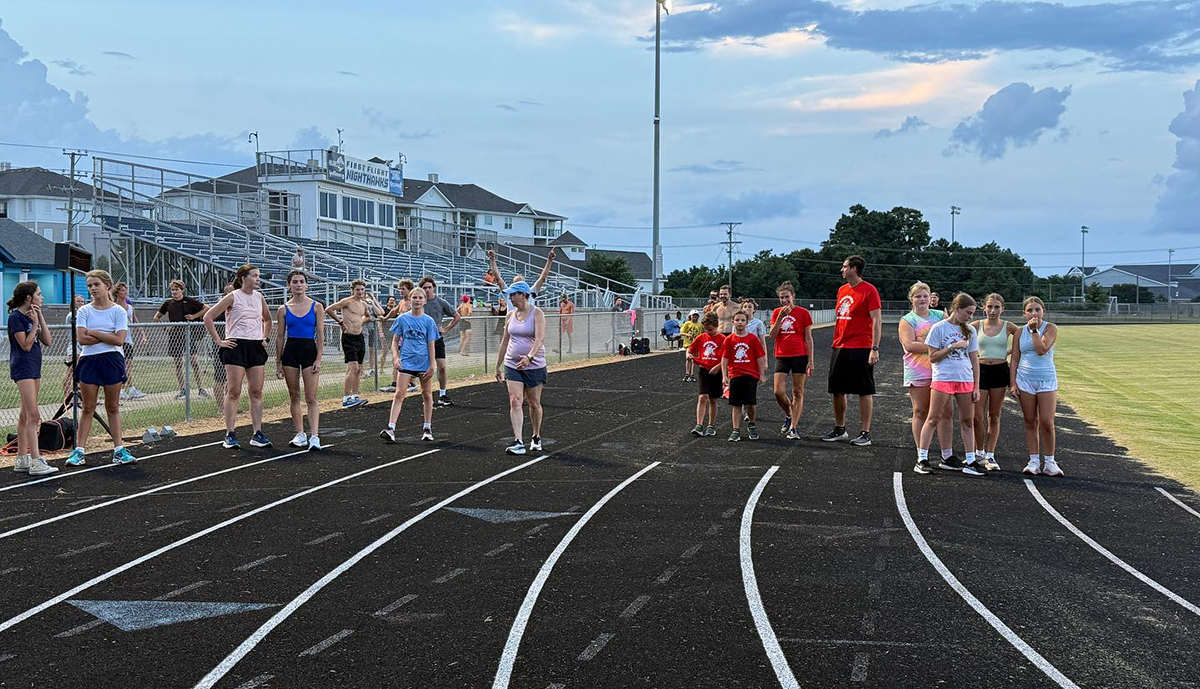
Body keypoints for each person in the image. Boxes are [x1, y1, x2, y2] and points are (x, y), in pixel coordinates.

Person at [66, 270, 136, 467]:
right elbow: (81, 338)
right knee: (88, 407)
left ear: (107, 285)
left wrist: (95, 332)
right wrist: (107, 335)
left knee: (112, 407)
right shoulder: (84, 311)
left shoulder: (118, 311)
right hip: (89, 361)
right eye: (89, 286)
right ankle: (79, 451)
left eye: (96, 284)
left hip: (112, 360)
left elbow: (119, 340)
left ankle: (119, 450)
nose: (93, 289)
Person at [913, 293, 985, 476]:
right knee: (933, 418)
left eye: (972, 313)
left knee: (967, 421)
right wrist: (953, 347)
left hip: (965, 380)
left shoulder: (970, 330)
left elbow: (974, 359)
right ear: (957, 309)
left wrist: (976, 386)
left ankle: (970, 461)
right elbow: (933, 357)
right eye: (968, 312)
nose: (970, 317)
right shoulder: (939, 328)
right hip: (943, 379)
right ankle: (922, 458)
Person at [204, 264, 274, 450]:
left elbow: (268, 319)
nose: (258, 279)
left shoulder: (260, 298)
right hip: (235, 346)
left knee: (256, 391)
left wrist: (264, 337)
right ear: (243, 278)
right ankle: (230, 433)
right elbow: (208, 317)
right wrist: (219, 341)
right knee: (234, 391)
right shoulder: (233, 296)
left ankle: (257, 433)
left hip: (255, 346)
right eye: (254, 276)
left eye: (259, 276)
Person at [823, 255, 882, 446]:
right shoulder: (842, 290)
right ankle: (840, 429)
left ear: (854, 269)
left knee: (864, 390)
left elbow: (876, 320)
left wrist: (874, 348)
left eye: (844, 266)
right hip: (840, 345)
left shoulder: (869, 290)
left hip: (861, 346)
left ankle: (865, 433)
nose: (842, 269)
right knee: (837, 389)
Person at [898, 282, 955, 462]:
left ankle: (947, 455)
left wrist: (923, 341)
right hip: (918, 371)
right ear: (911, 299)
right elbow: (909, 345)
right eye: (918, 296)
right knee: (921, 411)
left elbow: (952, 336)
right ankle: (922, 454)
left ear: (930, 298)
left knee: (946, 412)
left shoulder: (940, 315)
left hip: (941, 371)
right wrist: (935, 345)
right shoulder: (908, 320)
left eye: (925, 296)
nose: (922, 299)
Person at [8, 281, 57, 476]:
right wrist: (34, 324)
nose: (42, 296)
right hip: (23, 368)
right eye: (39, 293)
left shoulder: (34, 315)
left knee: (25, 414)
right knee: (34, 415)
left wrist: (41, 318)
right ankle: (36, 460)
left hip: (34, 367)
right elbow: (25, 346)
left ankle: (21, 459)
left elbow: (48, 341)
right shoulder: (16, 318)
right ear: (29, 298)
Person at [1011, 296, 1062, 477]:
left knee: (1047, 422)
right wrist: (1013, 383)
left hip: (1046, 379)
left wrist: (1034, 331)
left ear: (1043, 311)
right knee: (1030, 421)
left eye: (1037, 310)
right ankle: (1033, 461)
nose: (1034, 313)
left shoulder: (1050, 328)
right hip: (1025, 380)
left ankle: (1050, 462)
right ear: (1024, 314)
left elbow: (1041, 349)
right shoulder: (1019, 332)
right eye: (1030, 310)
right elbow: (1015, 358)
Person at [495, 281, 547, 455]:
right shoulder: (510, 315)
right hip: (512, 364)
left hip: (534, 365)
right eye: (510, 294)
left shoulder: (537, 314)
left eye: (514, 294)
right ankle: (518, 441)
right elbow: (505, 341)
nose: (511, 297)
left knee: (534, 403)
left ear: (523, 295)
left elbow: (539, 339)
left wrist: (529, 357)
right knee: (515, 400)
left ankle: (536, 436)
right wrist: (498, 365)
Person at [381, 288, 439, 442]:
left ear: (425, 300)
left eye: (420, 298)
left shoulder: (428, 321)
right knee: (400, 393)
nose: (417, 300)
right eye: (414, 297)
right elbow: (395, 340)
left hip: (423, 362)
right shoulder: (402, 319)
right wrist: (395, 357)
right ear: (410, 299)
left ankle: (427, 427)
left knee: (427, 394)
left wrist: (432, 365)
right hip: (407, 360)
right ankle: (391, 427)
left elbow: (431, 344)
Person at [276, 270, 324, 451]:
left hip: (309, 352)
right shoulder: (283, 309)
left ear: (306, 284)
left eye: (301, 281)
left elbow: (320, 334)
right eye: (295, 282)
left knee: (311, 397)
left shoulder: (316, 306)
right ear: (289, 285)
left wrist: (319, 359)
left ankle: (314, 436)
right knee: (294, 395)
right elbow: (280, 337)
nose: (298, 285)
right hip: (290, 353)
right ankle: (300, 433)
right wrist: (278, 363)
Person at [972, 294, 1019, 471]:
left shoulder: (1009, 327)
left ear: (1002, 309)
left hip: (1000, 372)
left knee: (994, 415)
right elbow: (957, 331)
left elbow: (1023, 336)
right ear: (983, 307)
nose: (993, 311)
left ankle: (990, 455)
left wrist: (1008, 351)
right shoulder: (976, 325)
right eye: (989, 307)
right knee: (977, 416)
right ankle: (978, 452)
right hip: (980, 371)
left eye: (996, 307)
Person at [768, 281, 814, 439]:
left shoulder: (803, 313)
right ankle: (789, 414)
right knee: (778, 391)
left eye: (787, 297)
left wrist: (811, 360)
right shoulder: (776, 313)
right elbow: (772, 335)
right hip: (782, 355)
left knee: (798, 392)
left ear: (793, 296)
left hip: (800, 355)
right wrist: (780, 317)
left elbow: (808, 338)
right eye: (781, 298)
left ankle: (794, 427)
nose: (784, 300)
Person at [154, 280, 210, 400]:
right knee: (178, 364)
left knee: (194, 361)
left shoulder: (189, 301)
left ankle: (201, 388)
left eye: (176, 289)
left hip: (188, 335)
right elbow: (156, 317)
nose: (174, 292)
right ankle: (182, 389)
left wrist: (194, 316)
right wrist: (165, 327)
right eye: (172, 290)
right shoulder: (168, 303)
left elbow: (206, 308)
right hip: (175, 336)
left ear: (182, 290)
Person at [717, 310, 767, 442]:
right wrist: (724, 376)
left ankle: (751, 424)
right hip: (735, 375)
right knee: (736, 404)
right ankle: (735, 430)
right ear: (733, 322)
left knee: (750, 403)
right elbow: (725, 359)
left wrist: (762, 373)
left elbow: (759, 357)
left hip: (751, 375)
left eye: (742, 320)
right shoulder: (729, 340)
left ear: (747, 322)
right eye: (737, 320)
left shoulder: (753, 339)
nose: (740, 322)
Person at [418, 276, 462, 407]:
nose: (427, 290)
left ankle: (442, 394)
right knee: (425, 369)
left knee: (441, 366)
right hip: (422, 340)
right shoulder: (420, 302)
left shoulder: (441, 302)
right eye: (424, 288)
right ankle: (426, 395)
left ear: (434, 288)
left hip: (437, 339)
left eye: (429, 287)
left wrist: (446, 329)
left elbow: (456, 317)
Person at [327, 280, 372, 409]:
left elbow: (368, 317)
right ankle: (346, 398)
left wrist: (361, 321)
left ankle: (355, 396)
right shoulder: (347, 301)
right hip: (348, 338)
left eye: (362, 290)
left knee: (359, 370)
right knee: (354, 368)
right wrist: (340, 322)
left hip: (359, 337)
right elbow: (329, 309)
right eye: (358, 289)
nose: (360, 292)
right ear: (353, 290)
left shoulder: (364, 304)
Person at [687, 312, 725, 436]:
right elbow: (690, 349)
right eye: (706, 329)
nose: (708, 332)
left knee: (713, 399)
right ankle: (699, 425)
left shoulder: (723, 339)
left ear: (717, 326)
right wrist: (688, 354)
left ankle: (711, 425)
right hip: (704, 370)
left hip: (716, 372)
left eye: (711, 329)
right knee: (702, 397)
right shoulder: (701, 338)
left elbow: (727, 358)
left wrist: (718, 367)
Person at [113, 283, 147, 400]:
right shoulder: (114, 306)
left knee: (128, 365)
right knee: (122, 365)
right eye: (122, 291)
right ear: (117, 293)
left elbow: (135, 321)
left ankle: (130, 388)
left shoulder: (130, 307)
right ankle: (122, 389)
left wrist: (142, 334)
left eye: (125, 290)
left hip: (128, 340)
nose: (125, 292)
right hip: (118, 339)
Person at [209, 284, 233, 414]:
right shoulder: (220, 307)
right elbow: (208, 317)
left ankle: (229, 406)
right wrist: (218, 341)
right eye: (229, 292)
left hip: (235, 345)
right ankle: (221, 408)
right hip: (221, 347)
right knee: (219, 377)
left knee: (232, 378)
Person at [680, 310, 703, 382]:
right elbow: (681, 333)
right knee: (688, 358)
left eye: (696, 316)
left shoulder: (700, 325)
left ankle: (692, 374)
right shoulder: (687, 324)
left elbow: (701, 334)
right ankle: (687, 373)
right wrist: (687, 335)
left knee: (693, 359)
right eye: (693, 315)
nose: (695, 317)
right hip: (688, 344)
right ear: (690, 316)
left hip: (696, 344)